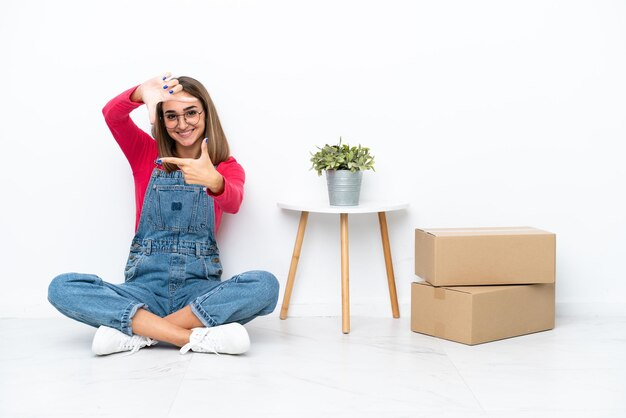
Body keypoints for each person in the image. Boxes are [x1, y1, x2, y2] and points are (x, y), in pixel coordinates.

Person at [48, 73, 279, 356]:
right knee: (61, 287)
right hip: (144, 290)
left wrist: (214, 180)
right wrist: (140, 92)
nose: (182, 124)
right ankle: (193, 337)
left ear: (206, 114)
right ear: (162, 120)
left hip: (197, 294)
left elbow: (233, 202)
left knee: (265, 285)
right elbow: (112, 115)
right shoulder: (145, 152)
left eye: (191, 113)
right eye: (171, 116)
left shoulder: (226, 167)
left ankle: (142, 332)